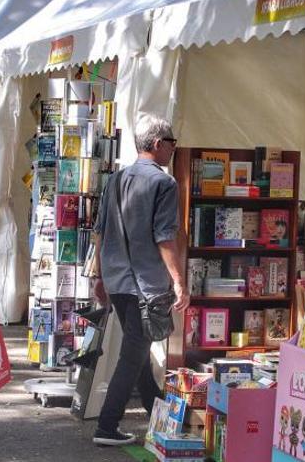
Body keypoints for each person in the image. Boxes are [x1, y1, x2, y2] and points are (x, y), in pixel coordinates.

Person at [91, 116, 189, 446]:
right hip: (145, 282)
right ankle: (106, 425)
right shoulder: (164, 183)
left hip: (118, 279)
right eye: (172, 142)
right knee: (134, 352)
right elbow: (165, 237)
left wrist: (99, 274)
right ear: (158, 143)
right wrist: (179, 281)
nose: (175, 148)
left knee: (140, 346)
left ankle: (155, 410)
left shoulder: (116, 178)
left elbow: (100, 231)